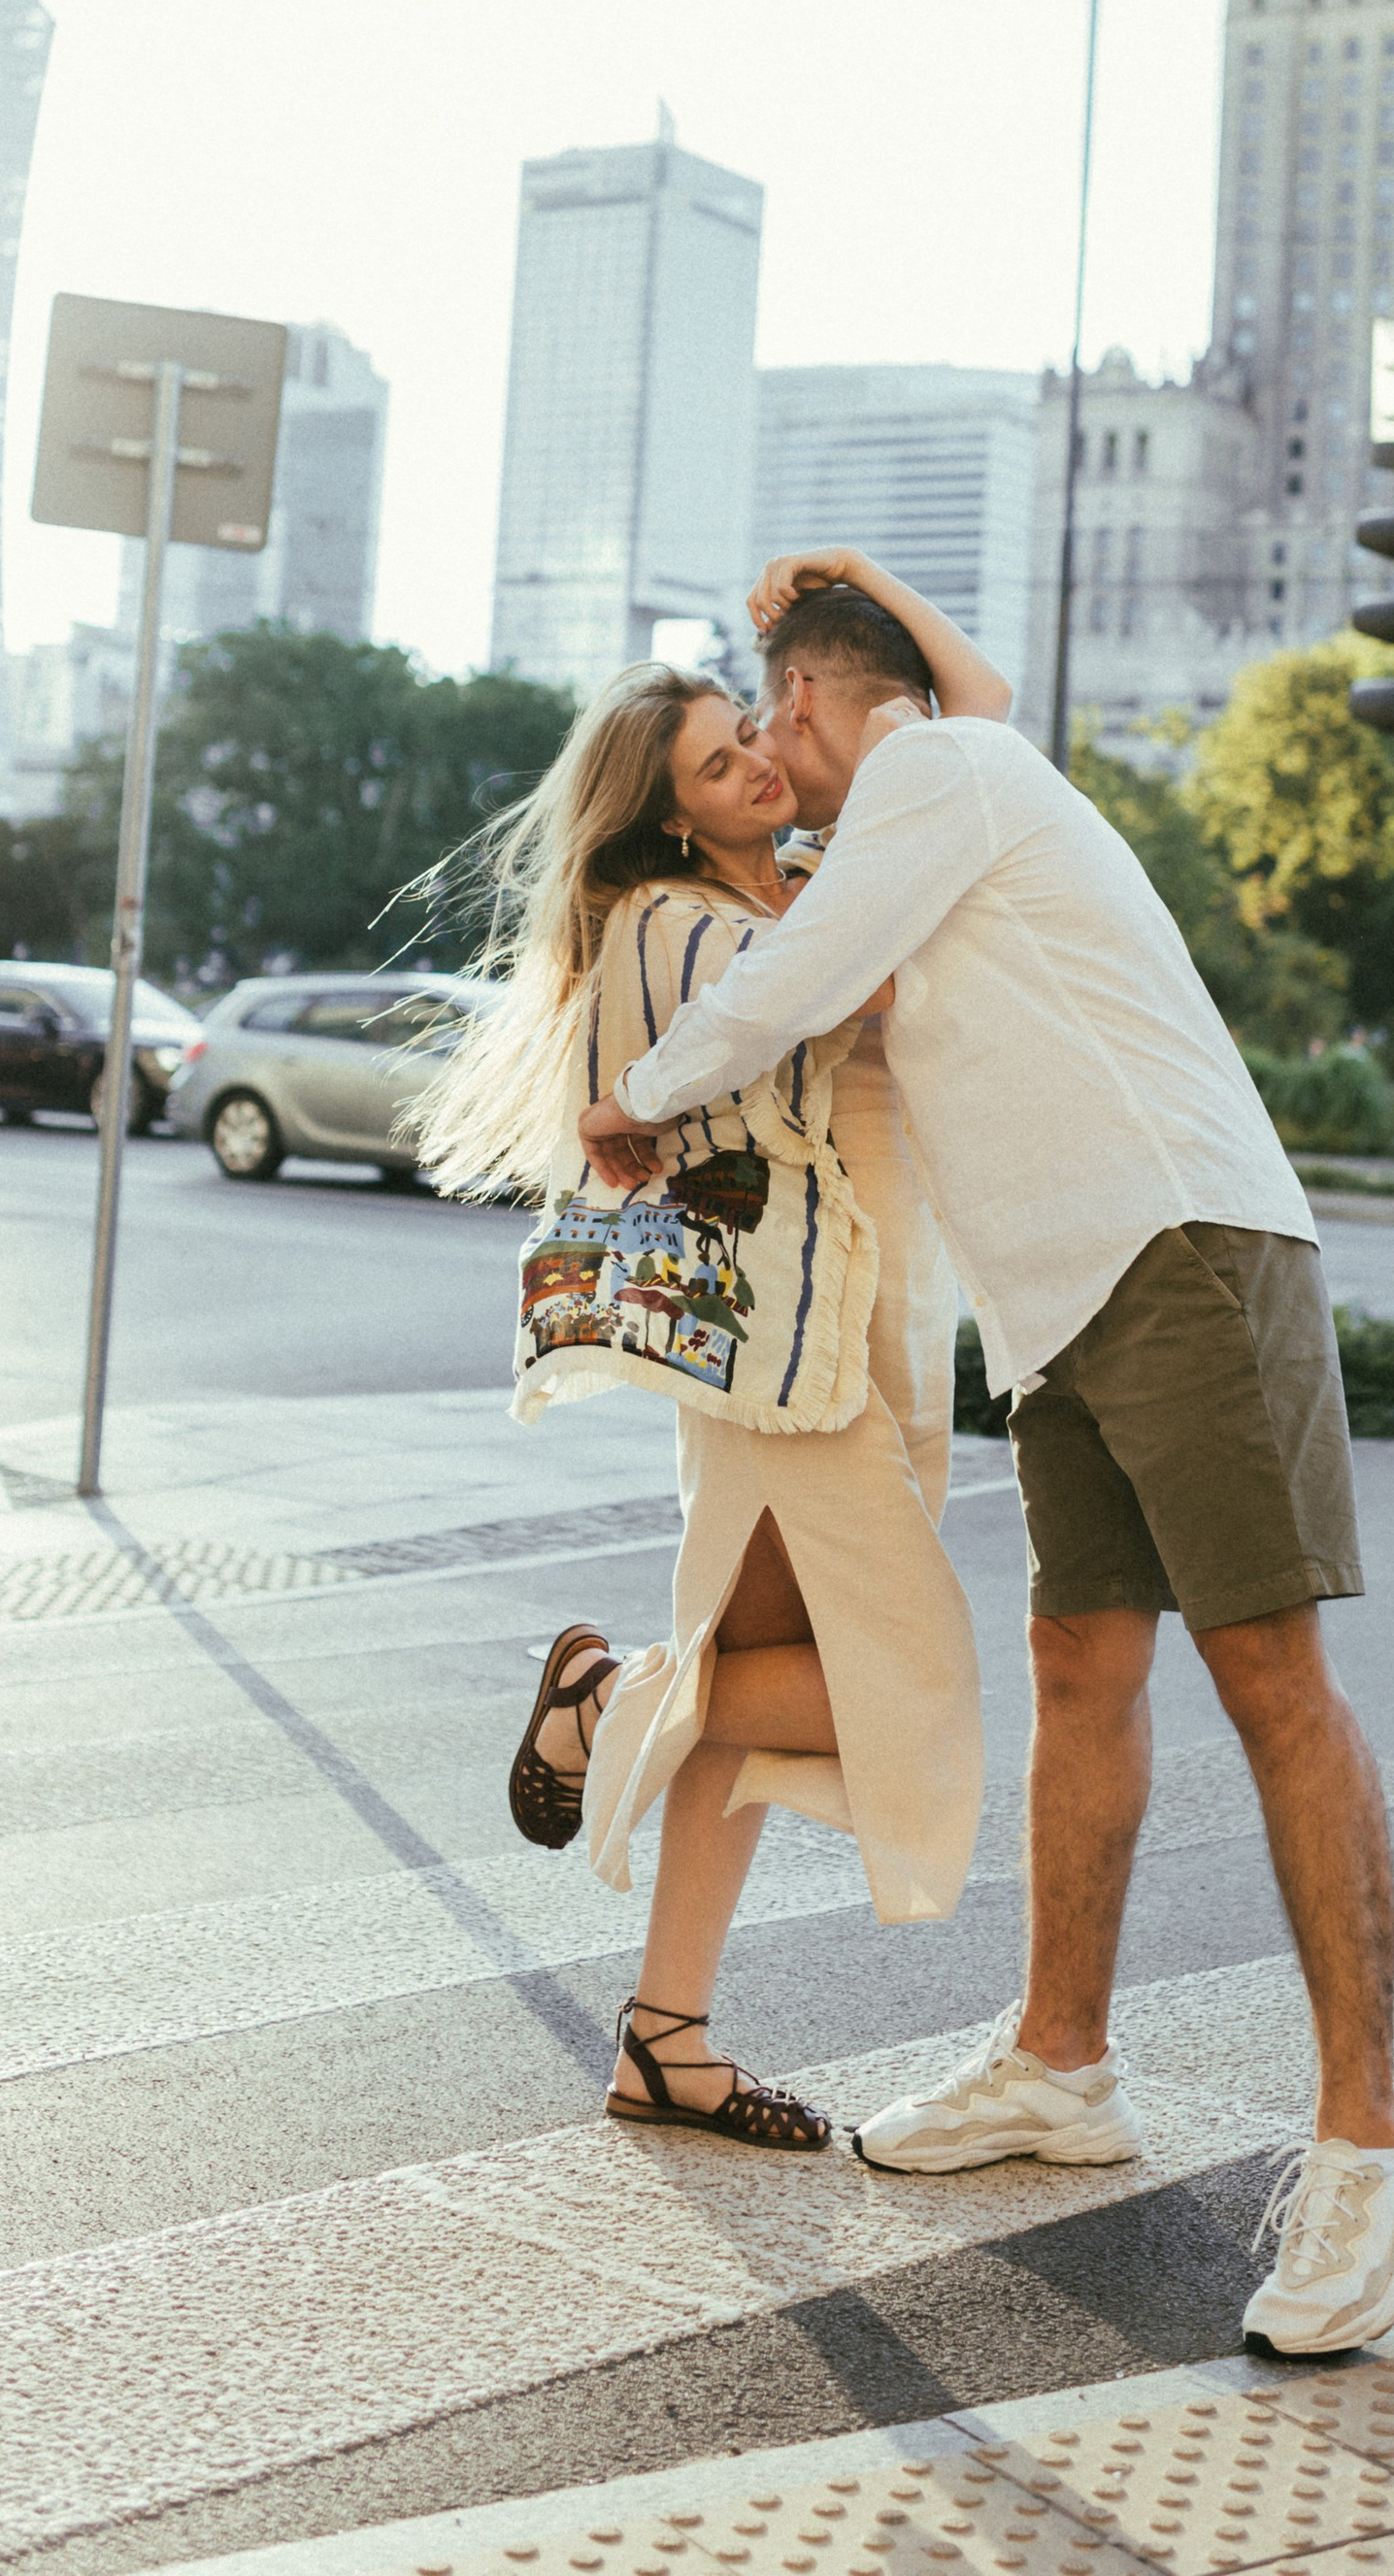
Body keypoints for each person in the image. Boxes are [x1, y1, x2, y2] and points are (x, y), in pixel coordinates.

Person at [578, 562, 1394, 2357]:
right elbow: (938, 713)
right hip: (1066, 1306)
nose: (769, 756)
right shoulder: (950, 781)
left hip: (1183, 1248)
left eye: (772, 720)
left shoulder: (938, 779)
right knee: (1086, 1665)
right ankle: (1063, 2067)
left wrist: (639, 1095)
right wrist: (858, 602)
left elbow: (818, 958)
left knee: (1273, 1683)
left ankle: (1377, 2145)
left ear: (824, 708)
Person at [424, 556, 1001, 2151]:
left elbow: (976, 716)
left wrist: (871, 592)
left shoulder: (792, 888)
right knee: (910, 1694)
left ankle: (663, 2037)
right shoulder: (679, 925)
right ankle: (602, 1704)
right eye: (717, 761)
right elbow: (841, 988)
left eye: (753, 729)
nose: (758, 759)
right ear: (672, 815)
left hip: (861, 1345)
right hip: (782, 1377)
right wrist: (873, 863)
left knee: (746, 1713)